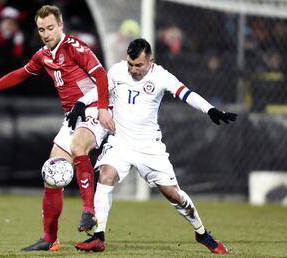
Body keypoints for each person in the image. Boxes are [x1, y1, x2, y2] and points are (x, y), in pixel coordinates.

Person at [0, 4, 115, 252]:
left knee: (79, 146)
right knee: (52, 174)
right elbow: (19, 74)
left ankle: (89, 211)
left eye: (50, 28)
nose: (46, 33)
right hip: (72, 117)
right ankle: (49, 238)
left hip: (93, 108)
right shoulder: (43, 55)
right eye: (41, 29)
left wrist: (102, 109)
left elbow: (101, 76)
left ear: (61, 25)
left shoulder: (74, 46)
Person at [75, 38, 237, 254]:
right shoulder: (117, 71)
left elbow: (186, 93)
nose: (133, 70)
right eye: (130, 64)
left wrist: (210, 110)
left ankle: (202, 233)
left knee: (173, 194)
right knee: (106, 175)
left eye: (138, 65)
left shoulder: (161, 76)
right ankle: (98, 236)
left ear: (150, 61)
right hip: (120, 141)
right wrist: (81, 103)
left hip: (149, 147)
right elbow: (101, 89)